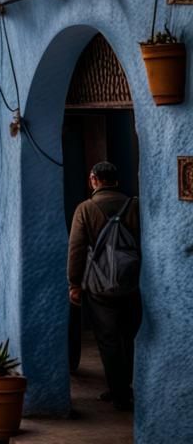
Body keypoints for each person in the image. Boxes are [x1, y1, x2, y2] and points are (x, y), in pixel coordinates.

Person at [67, 161, 142, 411]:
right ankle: (129, 386)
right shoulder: (134, 205)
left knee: (108, 339)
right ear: (116, 180)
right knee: (129, 336)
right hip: (132, 282)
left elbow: (76, 249)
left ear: (93, 179)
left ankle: (118, 392)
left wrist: (74, 283)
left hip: (100, 286)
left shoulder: (86, 209)